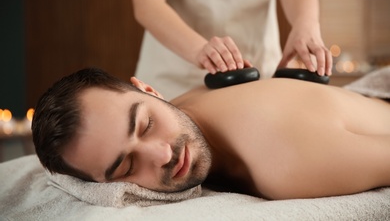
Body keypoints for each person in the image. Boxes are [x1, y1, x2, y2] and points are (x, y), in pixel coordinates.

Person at [32, 67, 390, 200]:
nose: (163, 156)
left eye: (146, 124)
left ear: (150, 90)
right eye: (126, 167)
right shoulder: (183, 104)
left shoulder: (284, 161)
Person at [130, 0, 333, 100]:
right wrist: (200, 50)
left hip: (259, 70)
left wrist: (306, 23)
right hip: (177, 71)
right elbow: (148, 0)